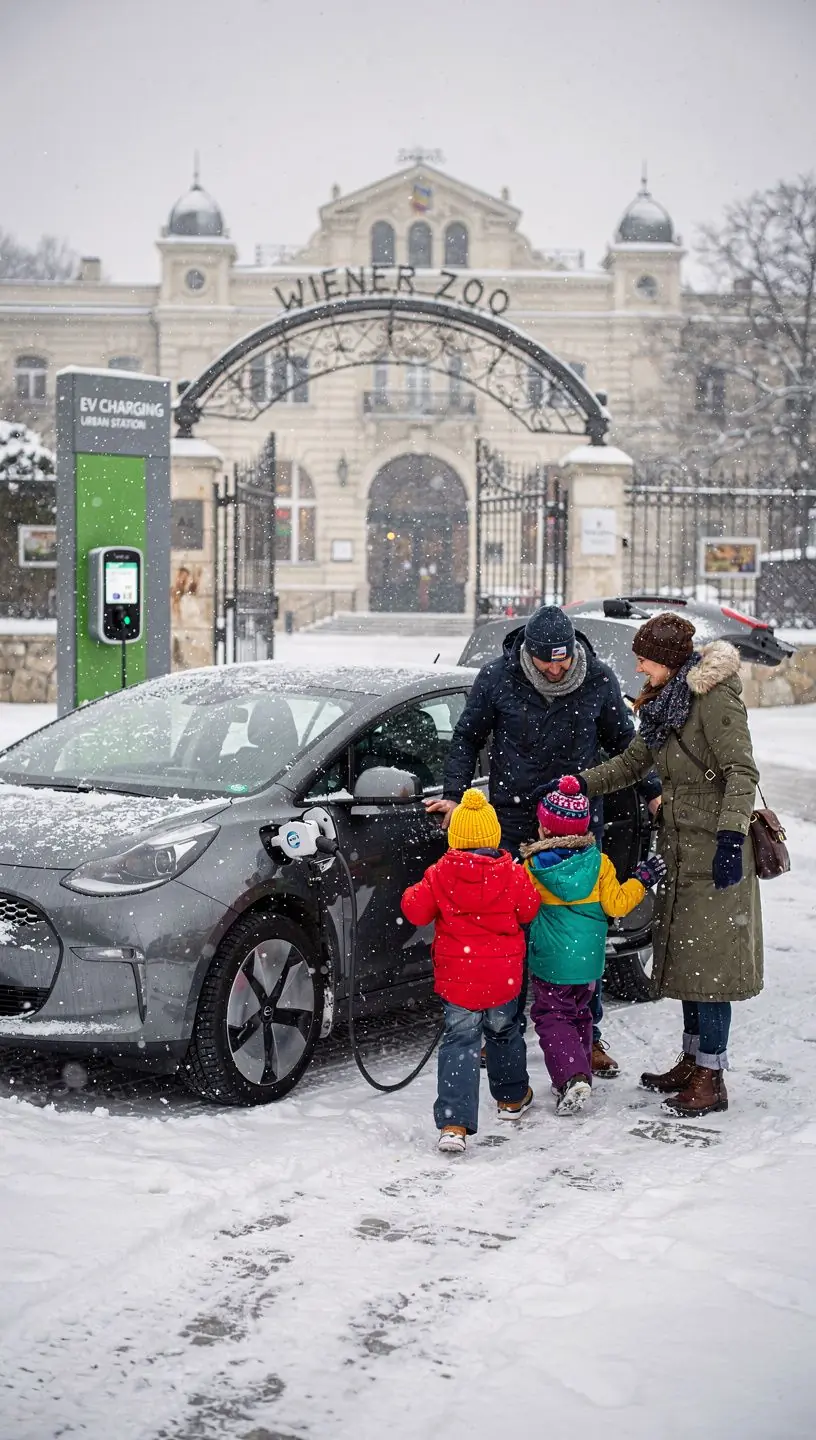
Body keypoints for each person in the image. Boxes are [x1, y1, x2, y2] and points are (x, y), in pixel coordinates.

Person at [426, 604, 662, 1077]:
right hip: (514, 819)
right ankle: (502, 1033)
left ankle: (586, 1035)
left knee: (581, 931)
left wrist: (654, 792)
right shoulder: (497, 678)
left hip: (576, 822)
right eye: (546, 661)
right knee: (508, 929)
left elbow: (623, 743)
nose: (557, 669)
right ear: (528, 656)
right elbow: (467, 738)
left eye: (563, 659)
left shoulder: (597, 678)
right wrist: (454, 795)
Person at [567, 612, 762, 1118]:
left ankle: (711, 1076)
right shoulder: (664, 704)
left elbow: (742, 772)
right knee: (687, 963)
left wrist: (727, 837)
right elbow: (634, 763)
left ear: (670, 661)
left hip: (716, 854)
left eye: (645, 658)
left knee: (711, 971)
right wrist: (583, 783)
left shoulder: (714, 700)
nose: (638, 666)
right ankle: (692, 1060)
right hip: (680, 851)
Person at [401, 788, 540, 1154]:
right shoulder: (512, 873)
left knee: (460, 1043)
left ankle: (454, 1122)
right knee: (504, 1032)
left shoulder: (440, 874)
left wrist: (415, 890)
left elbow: (415, 911)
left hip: (459, 979)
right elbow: (529, 910)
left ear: (455, 837)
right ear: (494, 836)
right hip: (503, 977)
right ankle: (511, 1098)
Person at [522, 776, 666, 1114]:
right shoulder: (599, 863)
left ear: (545, 829)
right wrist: (641, 880)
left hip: (552, 960)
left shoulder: (532, 868)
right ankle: (580, 1072)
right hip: (588, 961)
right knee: (580, 1013)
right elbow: (616, 905)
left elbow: (523, 909)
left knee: (551, 1015)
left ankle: (572, 1076)